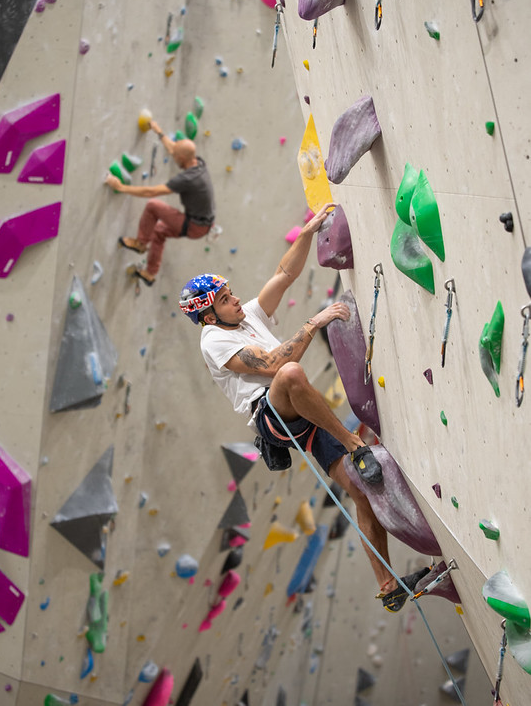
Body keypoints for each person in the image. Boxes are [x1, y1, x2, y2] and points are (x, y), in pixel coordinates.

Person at [179, 203, 429, 611]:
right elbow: (274, 365)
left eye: (231, 293)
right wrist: (314, 322)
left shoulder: (246, 318)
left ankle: (388, 586)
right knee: (290, 373)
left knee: (359, 488)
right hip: (272, 416)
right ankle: (354, 445)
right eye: (226, 299)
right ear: (208, 315)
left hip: (302, 417)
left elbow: (285, 273)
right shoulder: (214, 341)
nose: (236, 299)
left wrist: (309, 230)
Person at [104, 119, 215, 286]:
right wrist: (159, 132)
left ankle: (140, 243)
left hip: (194, 225)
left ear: (182, 158)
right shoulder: (197, 163)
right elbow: (175, 150)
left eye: (175, 156)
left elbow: (151, 192)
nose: (172, 155)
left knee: (153, 206)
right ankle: (149, 274)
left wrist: (121, 187)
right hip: (203, 225)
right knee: (158, 232)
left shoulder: (188, 179)